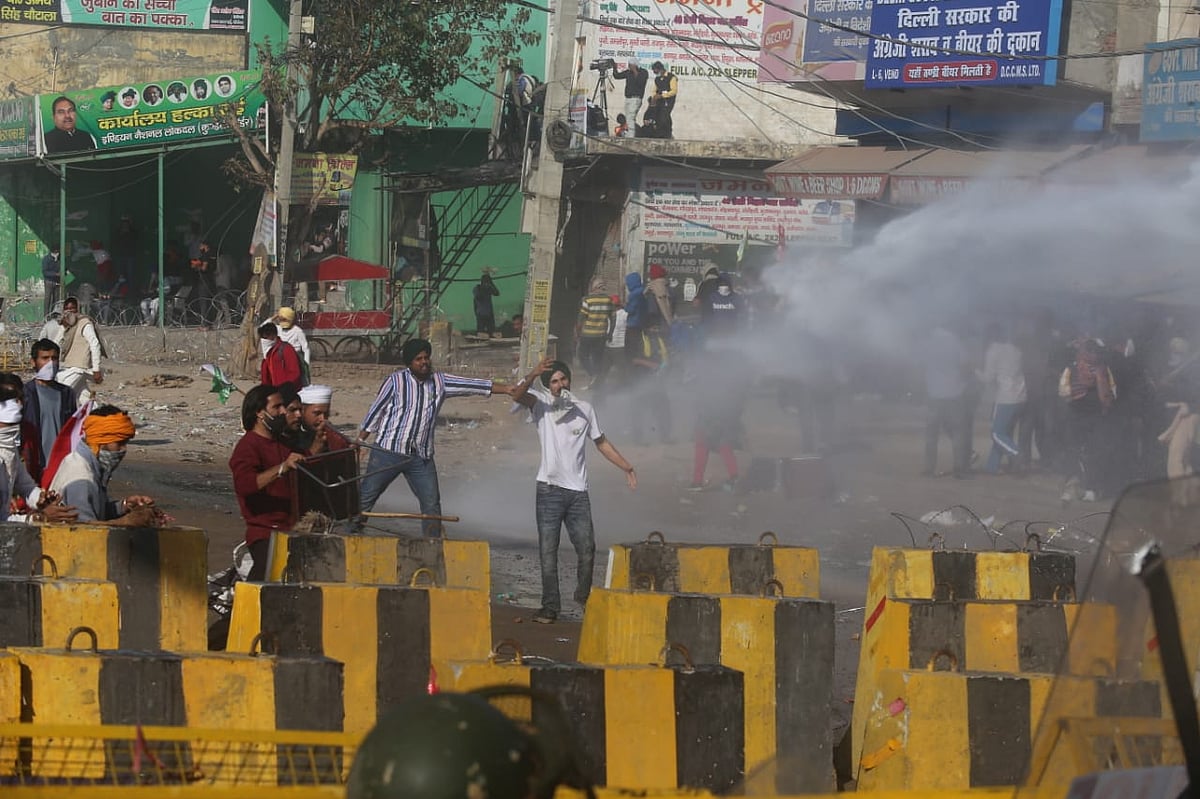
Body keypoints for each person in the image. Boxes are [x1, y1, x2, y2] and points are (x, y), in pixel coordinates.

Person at [510, 357, 636, 624]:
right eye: (554, 381)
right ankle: (550, 607)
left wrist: (626, 466)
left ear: (569, 380)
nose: (560, 385)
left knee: (587, 548)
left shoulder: (584, 409)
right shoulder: (541, 404)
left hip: (578, 492)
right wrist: (533, 374)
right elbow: (517, 395)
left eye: (563, 379)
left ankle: (583, 596)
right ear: (548, 386)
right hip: (549, 490)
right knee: (548, 551)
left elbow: (601, 442)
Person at [356, 338, 510, 537]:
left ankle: (432, 545)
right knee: (365, 498)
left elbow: (474, 385)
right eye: (418, 359)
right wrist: (360, 441)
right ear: (409, 363)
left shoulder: (440, 382)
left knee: (431, 504)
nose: (424, 362)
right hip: (387, 452)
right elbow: (376, 411)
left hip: (421, 457)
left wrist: (507, 389)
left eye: (426, 357)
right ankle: (349, 536)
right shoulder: (395, 381)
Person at [229, 384, 305, 580]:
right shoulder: (248, 446)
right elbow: (245, 485)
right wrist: (281, 468)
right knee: (265, 578)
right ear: (260, 413)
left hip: (290, 529)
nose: (283, 411)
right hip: (265, 532)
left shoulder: (283, 443)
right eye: (276, 407)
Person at [46, 405, 157, 525]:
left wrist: (124, 505)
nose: (123, 449)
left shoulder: (78, 459)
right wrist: (126, 522)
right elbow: (84, 529)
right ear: (100, 441)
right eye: (119, 443)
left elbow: (96, 510)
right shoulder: (82, 480)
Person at [0, 374, 76, 524]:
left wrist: (40, 499)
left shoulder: (9, 448)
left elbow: (25, 485)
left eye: (20, 398)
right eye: (10, 398)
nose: (19, 404)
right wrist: (38, 518)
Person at [923, 324, 972, 478]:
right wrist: (963, 383)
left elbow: (919, 365)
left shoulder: (928, 343)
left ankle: (929, 468)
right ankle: (959, 468)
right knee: (958, 433)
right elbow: (966, 366)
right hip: (954, 393)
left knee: (931, 434)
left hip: (934, 394)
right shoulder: (955, 341)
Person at [24, 338, 76, 481]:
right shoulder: (25, 394)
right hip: (34, 465)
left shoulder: (67, 394)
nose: (50, 363)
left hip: (61, 464)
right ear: (33, 362)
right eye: (45, 358)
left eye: (54, 358)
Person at [978, 323, 1027, 474]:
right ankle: (992, 466)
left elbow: (987, 378)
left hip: (1006, 397)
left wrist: (973, 370)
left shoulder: (993, 350)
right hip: (1021, 396)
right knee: (1005, 432)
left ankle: (1016, 453)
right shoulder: (1015, 349)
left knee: (996, 434)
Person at [56, 296, 104, 404]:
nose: (69, 311)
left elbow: (95, 344)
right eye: (67, 309)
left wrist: (96, 369)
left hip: (79, 368)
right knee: (84, 397)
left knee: (62, 393)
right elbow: (56, 342)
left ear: (77, 309)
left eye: (72, 308)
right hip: (68, 366)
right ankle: (97, 413)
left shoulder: (84, 323)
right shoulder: (66, 325)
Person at [576, 278, 613, 387]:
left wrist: (578, 333)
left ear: (594, 287)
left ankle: (593, 374)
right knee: (597, 357)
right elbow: (613, 318)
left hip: (588, 334)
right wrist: (610, 333)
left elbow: (581, 318)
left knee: (582, 355)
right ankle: (597, 380)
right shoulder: (608, 300)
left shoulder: (588, 300)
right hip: (601, 335)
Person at [296, 384, 352, 455]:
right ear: (303, 411)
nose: (322, 419)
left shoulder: (331, 434)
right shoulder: (292, 435)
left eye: (326, 414)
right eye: (317, 413)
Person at [259, 322, 303, 392]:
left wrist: (284, 389)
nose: (264, 341)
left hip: (287, 391)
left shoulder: (286, 349)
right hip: (275, 391)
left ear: (273, 335)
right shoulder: (269, 353)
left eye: (266, 337)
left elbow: (294, 373)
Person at [612, 58, 648, 135]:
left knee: (630, 118)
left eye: (630, 65)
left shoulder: (643, 72)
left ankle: (631, 135)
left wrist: (635, 71)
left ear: (635, 65)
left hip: (636, 99)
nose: (629, 66)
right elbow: (617, 76)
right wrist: (614, 67)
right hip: (628, 98)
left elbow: (640, 83)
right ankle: (631, 133)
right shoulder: (628, 72)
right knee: (629, 118)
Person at [189, 239, 216, 329]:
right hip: (211, 280)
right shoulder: (213, 255)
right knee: (209, 302)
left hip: (204, 281)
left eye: (201, 245)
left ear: (205, 246)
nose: (199, 247)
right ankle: (210, 323)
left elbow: (204, 268)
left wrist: (197, 267)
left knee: (203, 303)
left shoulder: (205, 255)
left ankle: (204, 324)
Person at [647, 62, 678, 139]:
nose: (656, 74)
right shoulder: (657, 79)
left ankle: (666, 134)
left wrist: (662, 96)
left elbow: (674, 91)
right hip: (659, 101)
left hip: (668, 101)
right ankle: (666, 134)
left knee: (664, 116)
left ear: (661, 69)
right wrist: (654, 97)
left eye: (656, 72)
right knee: (660, 117)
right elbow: (655, 90)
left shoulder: (671, 77)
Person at [473, 273, 500, 337]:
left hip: (489, 314)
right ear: (482, 282)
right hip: (480, 314)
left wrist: (491, 284)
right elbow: (478, 297)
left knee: (492, 332)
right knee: (481, 333)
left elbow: (497, 293)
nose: (486, 284)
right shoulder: (477, 288)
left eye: (487, 282)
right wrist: (484, 289)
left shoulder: (489, 288)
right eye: (485, 282)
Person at [41, 244, 60, 319]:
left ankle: (54, 315)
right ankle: (46, 316)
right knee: (48, 299)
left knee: (56, 299)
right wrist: (55, 274)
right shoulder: (46, 259)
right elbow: (45, 272)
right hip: (49, 281)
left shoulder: (59, 259)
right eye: (56, 252)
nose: (57, 254)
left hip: (57, 282)